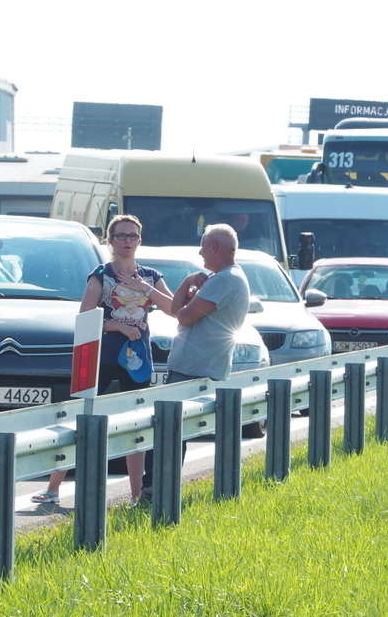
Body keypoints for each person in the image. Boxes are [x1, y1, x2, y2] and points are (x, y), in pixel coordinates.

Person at [31, 214, 173, 507]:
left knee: (137, 423)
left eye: (132, 236)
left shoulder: (150, 276)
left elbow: (173, 309)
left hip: (137, 359)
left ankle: (136, 495)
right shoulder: (101, 275)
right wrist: (119, 326)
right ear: (110, 240)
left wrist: (144, 289)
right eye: (121, 236)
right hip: (103, 355)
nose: (127, 242)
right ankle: (54, 487)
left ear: (140, 240)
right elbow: (85, 317)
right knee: (83, 417)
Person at [141, 223, 251, 499]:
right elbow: (178, 310)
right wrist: (188, 282)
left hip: (196, 370)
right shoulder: (222, 278)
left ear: (215, 247)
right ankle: (159, 490)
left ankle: (157, 492)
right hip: (195, 367)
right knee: (172, 433)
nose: (201, 252)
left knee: (168, 433)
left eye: (203, 246)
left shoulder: (225, 279)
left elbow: (184, 316)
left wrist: (189, 292)